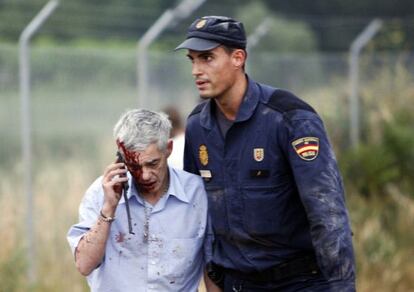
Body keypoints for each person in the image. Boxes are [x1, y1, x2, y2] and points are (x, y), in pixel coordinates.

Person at [175, 16, 356, 291]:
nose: (196, 71)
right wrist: (212, 277)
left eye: (207, 58)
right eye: (192, 60)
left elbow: (327, 213)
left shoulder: (289, 117)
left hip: (299, 282)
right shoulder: (198, 126)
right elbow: (198, 216)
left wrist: (342, 286)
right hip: (238, 283)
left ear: (238, 58)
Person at [67, 109, 208, 292]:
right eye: (134, 166)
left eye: (152, 164)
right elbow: (84, 265)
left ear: (169, 149)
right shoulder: (100, 194)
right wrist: (109, 208)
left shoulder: (196, 194)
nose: (145, 175)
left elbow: (214, 266)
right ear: (121, 159)